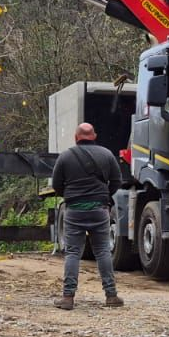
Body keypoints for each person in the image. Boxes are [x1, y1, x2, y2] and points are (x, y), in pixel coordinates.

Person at [51, 122, 124, 309]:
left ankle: (68, 298)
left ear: (76, 137)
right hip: (99, 211)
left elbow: (57, 185)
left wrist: (70, 196)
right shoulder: (107, 154)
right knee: (102, 251)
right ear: (94, 136)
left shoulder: (65, 156)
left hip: (74, 211)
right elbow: (117, 181)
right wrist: (104, 197)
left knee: (73, 252)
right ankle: (111, 295)